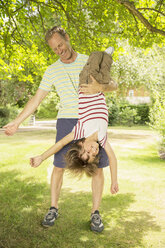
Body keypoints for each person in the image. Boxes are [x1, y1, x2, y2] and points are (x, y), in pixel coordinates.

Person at [3, 26, 118, 232]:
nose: (59, 50)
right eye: (55, 49)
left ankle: (95, 213)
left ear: (67, 37)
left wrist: (101, 88)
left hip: (90, 116)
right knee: (59, 166)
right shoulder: (52, 70)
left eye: (61, 45)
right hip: (67, 119)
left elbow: (115, 85)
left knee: (98, 168)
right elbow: (37, 99)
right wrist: (17, 121)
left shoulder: (88, 60)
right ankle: (53, 208)